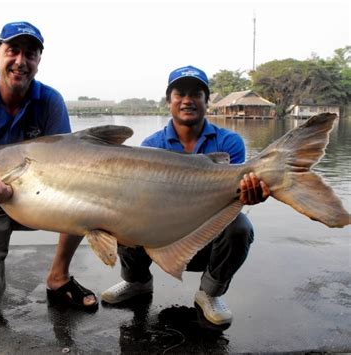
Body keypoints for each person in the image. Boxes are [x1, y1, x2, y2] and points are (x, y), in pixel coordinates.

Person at [101, 65, 270, 326]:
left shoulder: (230, 143)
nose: (188, 100)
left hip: (207, 234)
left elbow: (231, 202)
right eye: (180, 93)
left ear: (207, 101)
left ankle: (209, 294)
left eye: (196, 94)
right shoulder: (151, 146)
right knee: (119, 214)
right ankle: (137, 282)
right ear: (169, 100)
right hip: (161, 235)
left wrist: (248, 194)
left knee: (240, 227)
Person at [0, 21, 97, 315]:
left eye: (30, 54)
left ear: (38, 61)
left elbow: (69, 164)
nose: (21, 61)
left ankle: (58, 277)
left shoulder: (51, 100)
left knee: (85, 198)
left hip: (38, 196)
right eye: (12, 51)